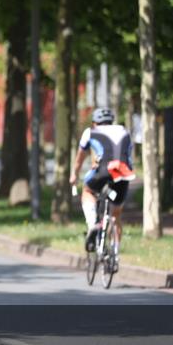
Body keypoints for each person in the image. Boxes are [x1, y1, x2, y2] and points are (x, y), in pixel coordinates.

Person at [69, 107, 134, 250]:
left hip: (104, 171)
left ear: (94, 123)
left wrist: (74, 175)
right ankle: (115, 253)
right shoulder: (124, 131)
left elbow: (79, 159)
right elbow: (127, 155)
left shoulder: (90, 132)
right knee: (116, 215)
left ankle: (93, 224)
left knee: (88, 191)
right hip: (123, 173)